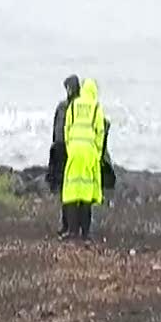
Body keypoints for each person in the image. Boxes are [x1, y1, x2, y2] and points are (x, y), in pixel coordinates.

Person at [61, 77, 106, 240]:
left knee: (72, 191)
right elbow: (100, 132)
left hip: (73, 151)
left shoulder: (73, 105)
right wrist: (98, 154)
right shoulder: (96, 108)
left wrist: (69, 148)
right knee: (86, 193)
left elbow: (66, 128)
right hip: (89, 153)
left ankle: (72, 230)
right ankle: (85, 233)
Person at [47, 74, 80, 234]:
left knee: (74, 189)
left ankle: (72, 225)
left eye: (69, 87)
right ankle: (66, 224)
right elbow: (55, 129)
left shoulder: (78, 107)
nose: (68, 90)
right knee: (64, 189)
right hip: (60, 148)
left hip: (72, 149)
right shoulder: (62, 106)